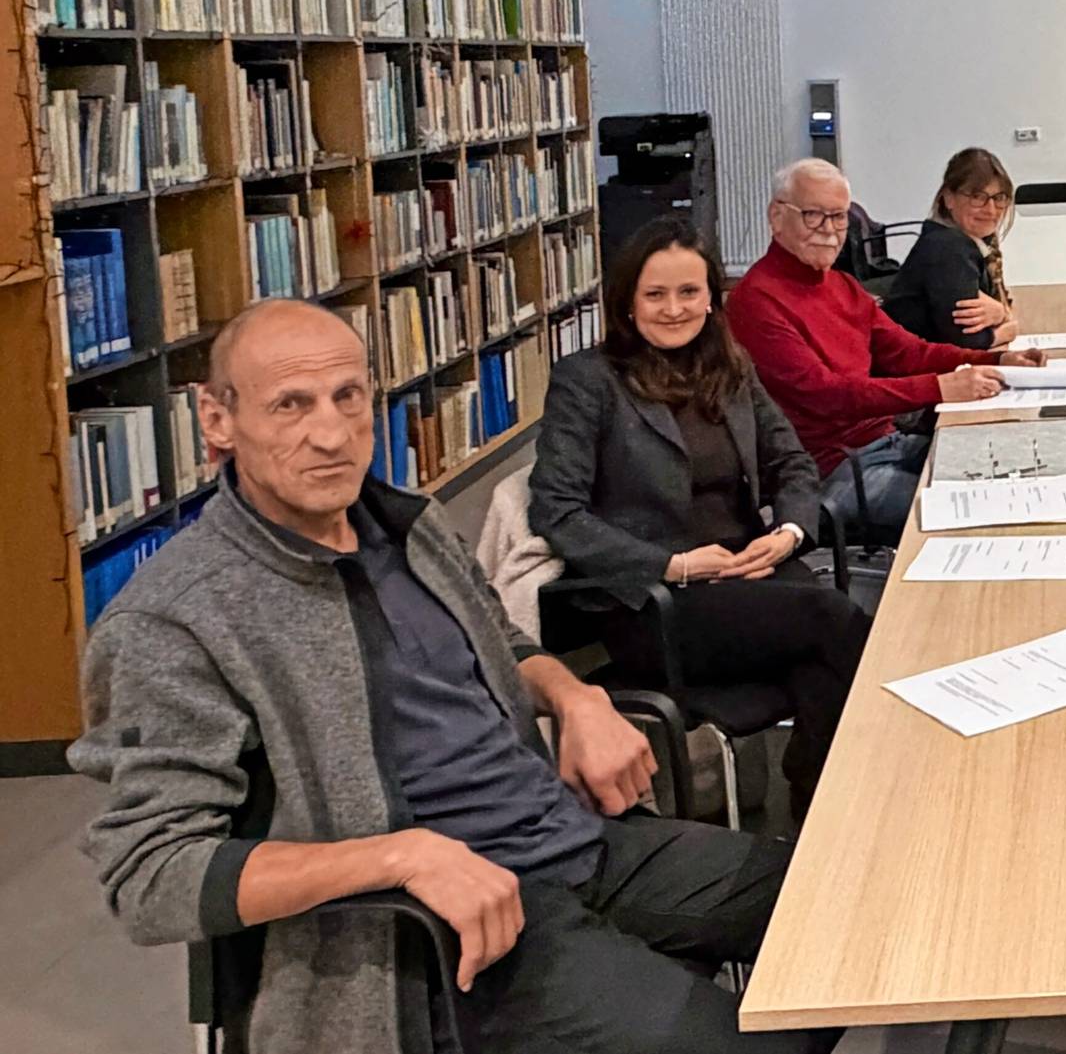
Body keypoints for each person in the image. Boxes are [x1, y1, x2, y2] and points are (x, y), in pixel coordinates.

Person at [67, 298, 836, 1054]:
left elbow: (498, 638)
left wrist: (574, 694)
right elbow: (152, 875)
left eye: (348, 396)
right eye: (290, 405)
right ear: (217, 421)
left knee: (854, 919)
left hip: (577, 838)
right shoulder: (175, 619)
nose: (331, 432)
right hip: (444, 942)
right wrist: (402, 853)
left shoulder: (409, 525)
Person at [530, 218, 870, 821]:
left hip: (747, 573)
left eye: (689, 292)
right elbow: (557, 511)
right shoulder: (588, 382)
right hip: (655, 602)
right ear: (627, 302)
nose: (674, 309)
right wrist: (674, 564)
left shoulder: (730, 368)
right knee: (837, 620)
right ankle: (839, 804)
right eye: (655, 294)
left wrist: (787, 533)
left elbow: (792, 462)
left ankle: (820, 810)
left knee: (825, 659)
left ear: (712, 296)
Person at [726, 158, 1045, 534]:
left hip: (889, 444)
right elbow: (826, 395)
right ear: (777, 216)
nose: (829, 231)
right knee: (981, 513)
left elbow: (909, 353)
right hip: (833, 472)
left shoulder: (842, 285)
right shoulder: (756, 301)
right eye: (814, 215)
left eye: (839, 217)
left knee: (1024, 473)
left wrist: (997, 358)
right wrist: (940, 387)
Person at [882, 147, 1021, 349]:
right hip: (915, 372)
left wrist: (1000, 312)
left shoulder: (974, 244)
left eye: (999, 198)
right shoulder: (948, 247)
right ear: (949, 199)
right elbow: (966, 341)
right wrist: (1001, 332)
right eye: (977, 196)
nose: (991, 209)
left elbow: (1005, 311)